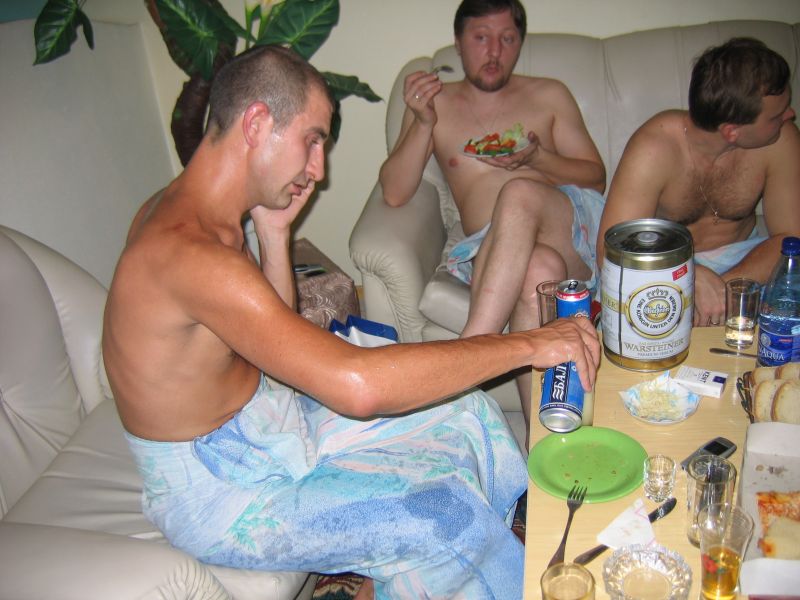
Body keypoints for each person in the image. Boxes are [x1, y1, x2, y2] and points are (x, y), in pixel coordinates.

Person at [102, 45, 601, 600]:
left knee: (470, 414)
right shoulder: (190, 253)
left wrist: (273, 234)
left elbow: (263, 336)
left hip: (269, 424)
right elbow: (358, 386)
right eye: (313, 140)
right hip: (223, 490)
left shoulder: (195, 211)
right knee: (446, 520)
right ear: (257, 123)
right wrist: (530, 344)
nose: (319, 170)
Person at [378, 0, 606, 433]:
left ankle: (466, 359)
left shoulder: (549, 94)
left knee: (518, 192)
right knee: (537, 270)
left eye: (507, 38)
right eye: (481, 38)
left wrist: (539, 159)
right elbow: (394, 192)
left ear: (520, 42)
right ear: (459, 43)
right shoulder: (437, 105)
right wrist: (423, 122)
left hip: (566, 229)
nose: (495, 52)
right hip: (494, 247)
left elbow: (595, 177)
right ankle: (540, 441)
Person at [597, 37, 800, 327]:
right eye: (777, 116)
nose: (790, 115)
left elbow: (791, 237)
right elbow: (610, 251)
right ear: (731, 131)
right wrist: (685, 275)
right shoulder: (655, 147)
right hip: (664, 266)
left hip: (745, 262)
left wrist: (725, 287)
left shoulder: (782, 139)